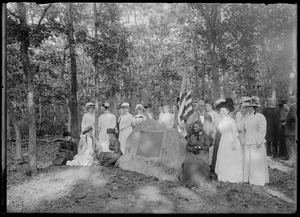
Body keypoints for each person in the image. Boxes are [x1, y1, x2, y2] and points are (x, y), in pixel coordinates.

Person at [214, 100, 243, 183]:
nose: (222, 112)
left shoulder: (231, 120)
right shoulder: (221, 120)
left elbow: (235, 132)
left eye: (224, 110)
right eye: (221, 111)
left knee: (230, 156)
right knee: (223, 155)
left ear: (228, 111)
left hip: (231, 139)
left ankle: (231, 175)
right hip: (223, 140)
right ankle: (224, 175)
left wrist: (234, 141)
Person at [243, 96, 269, 186]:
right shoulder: (248, 116)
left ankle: (257, 180)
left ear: (255, 107)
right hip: (248, 141)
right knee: (249, 161)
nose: (248, 108)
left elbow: (262, 130)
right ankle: (249, 178)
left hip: (256, 143)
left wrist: (259, 141)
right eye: (248, 106)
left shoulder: (260, 117)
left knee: (257, 162)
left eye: (250, 106)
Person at [180, 120, 212, 187]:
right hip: (193, 154)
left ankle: (195, 183)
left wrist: (199, 147)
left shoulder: (205, 136)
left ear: (201, 127)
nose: (195, 128)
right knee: (186, 163)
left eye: (196, 127)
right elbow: (188, 146)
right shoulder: (192, 136)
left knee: (194, 164)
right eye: (194, 127)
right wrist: (192, 149)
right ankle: (188, 182)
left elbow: (207, 146)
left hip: (202, 155)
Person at [210, 98, 226, 179]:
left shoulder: (227, 114)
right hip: (219, 134)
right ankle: (215, 169)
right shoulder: (216, 115)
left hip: (226, 134)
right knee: (217, 150)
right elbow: (217, 125)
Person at [284, 96, 297, 162]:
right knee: (292, 145)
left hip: (290, 131)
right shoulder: (294, 107)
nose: (287, 102)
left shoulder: (292, 108)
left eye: (288, 101)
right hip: (292, 130)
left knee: (290, 145)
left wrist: (287, 123)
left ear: (290, 101)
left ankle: (292, 159)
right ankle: (293, 159)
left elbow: (293, 117)